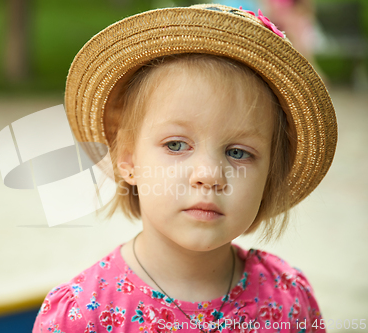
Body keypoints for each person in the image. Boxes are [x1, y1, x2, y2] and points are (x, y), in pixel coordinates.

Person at [33, 4, 337, 332]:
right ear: (128, 159)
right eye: (176, 145)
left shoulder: (287, 302)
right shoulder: (82, 315)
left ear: (269, 178)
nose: (208, 175)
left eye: (238, 152)